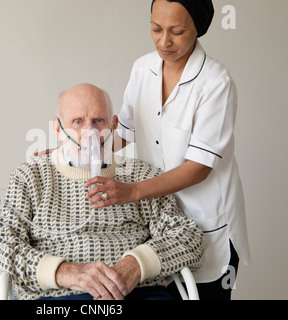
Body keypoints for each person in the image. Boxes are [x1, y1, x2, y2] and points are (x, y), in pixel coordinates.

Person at [84, 0, 250, 300]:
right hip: (160, 225)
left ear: (198, 28)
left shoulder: (215, 82)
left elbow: (199, 166)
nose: (164, 41)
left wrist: (132, 191)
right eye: (156, 28)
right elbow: (124, 132)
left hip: (207, 222)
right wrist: (75, 153)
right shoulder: (142, 68)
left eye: (177, 31)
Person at [0, 83, 204, 300]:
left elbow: (189, 237)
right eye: (78, 122)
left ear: (114, 124)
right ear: (58, 129)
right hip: (59, 297)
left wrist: (135, 265)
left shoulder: (142, 176)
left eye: (99, 121)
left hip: (140, 293)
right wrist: (65, 272)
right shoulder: (32, 177)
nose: (91, 132)